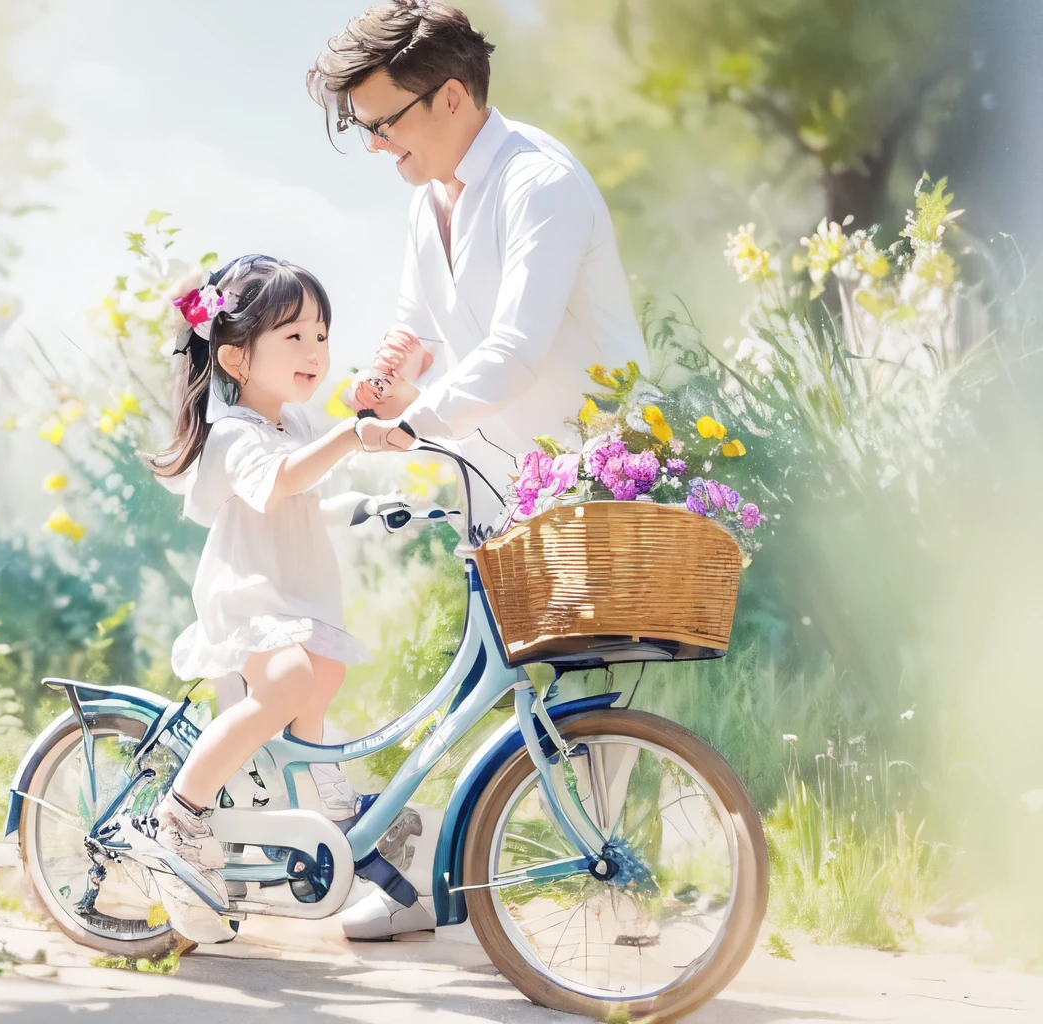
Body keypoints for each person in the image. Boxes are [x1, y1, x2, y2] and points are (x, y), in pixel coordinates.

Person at [308, 0, 651, 939]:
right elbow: (422, 320)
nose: (377, 146)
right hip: (494, 471)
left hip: (589, 465)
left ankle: (616, 893)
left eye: (385, 123)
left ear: (450, 96)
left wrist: (411, 425)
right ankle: (427, 880)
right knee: (485, 673)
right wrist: (390, 372)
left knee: (583, 686)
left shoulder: (541, 182)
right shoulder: (433, 197)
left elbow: (517, 348)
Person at [140, 254, 412, 943]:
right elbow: (283, 482)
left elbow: (310, 492)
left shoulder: (294, 425)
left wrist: (371, 504)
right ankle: (180, 811)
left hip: (293, 592)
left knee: (323, 674)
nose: (315, 351)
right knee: (289, 678)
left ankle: (318, 786)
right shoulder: (235, 433)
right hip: (249, 593)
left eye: (321, 335)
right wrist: (352, 434)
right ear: (235, 357)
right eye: (293, 336)